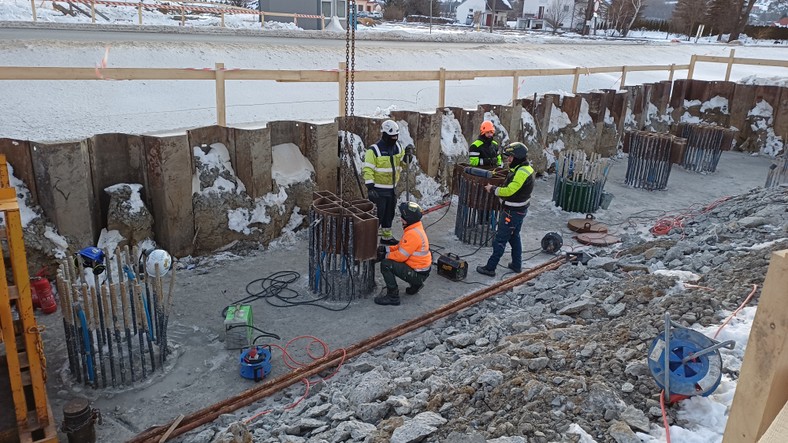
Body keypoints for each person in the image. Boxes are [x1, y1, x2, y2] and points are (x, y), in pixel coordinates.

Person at [476, 142, 535, 277]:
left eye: (510, 157)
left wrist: (493, 189)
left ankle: (490, 268)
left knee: (500, 240)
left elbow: (509, 191)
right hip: (519, 210)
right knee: (514, 237)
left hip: (512, 212)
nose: (508, 160)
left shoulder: (521, 172)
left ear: (518, 157)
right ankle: (516, 264)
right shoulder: (523, 168)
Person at [363, 119, 415, 245]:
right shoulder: (374, 150)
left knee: (389, 214)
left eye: (396, 136)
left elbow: (402, 165)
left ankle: (386, 237)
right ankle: (369, 241)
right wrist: (370, 187)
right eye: (392, 136)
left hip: (392, 189)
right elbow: (368, 169)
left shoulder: (398, 147)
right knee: (377, 217)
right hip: (378, 190)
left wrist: (408, 157)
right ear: (384, 134)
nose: (395, 138)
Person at [374, 201, 432, 306]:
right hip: (421, 270)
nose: (401, 218)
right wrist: (387, 249)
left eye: (403, 217)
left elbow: (401, 256)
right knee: (390, 258)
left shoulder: (412, 234)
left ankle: (393, 296)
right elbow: (400, 247)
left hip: (417, 273)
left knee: (386, 264)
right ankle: (416, 284)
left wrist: (384, 256)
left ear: (409, 219)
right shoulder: (415, 228)